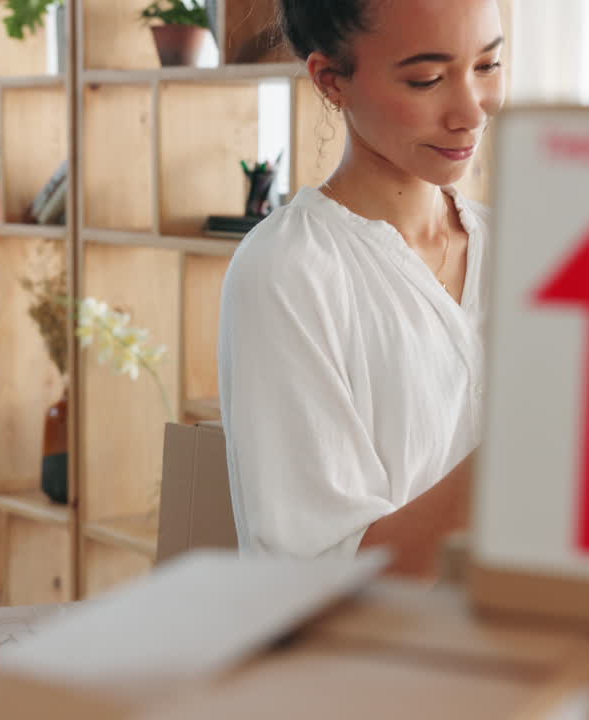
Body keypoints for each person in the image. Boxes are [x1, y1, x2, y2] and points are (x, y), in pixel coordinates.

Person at [217, 0, 506, 577]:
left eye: (488, 66)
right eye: (426, 79)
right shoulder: (289, 270)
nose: (471, 112)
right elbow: (320, 577)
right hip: (375, 659)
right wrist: (534, 441)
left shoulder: (515, 247)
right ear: (331, 81)